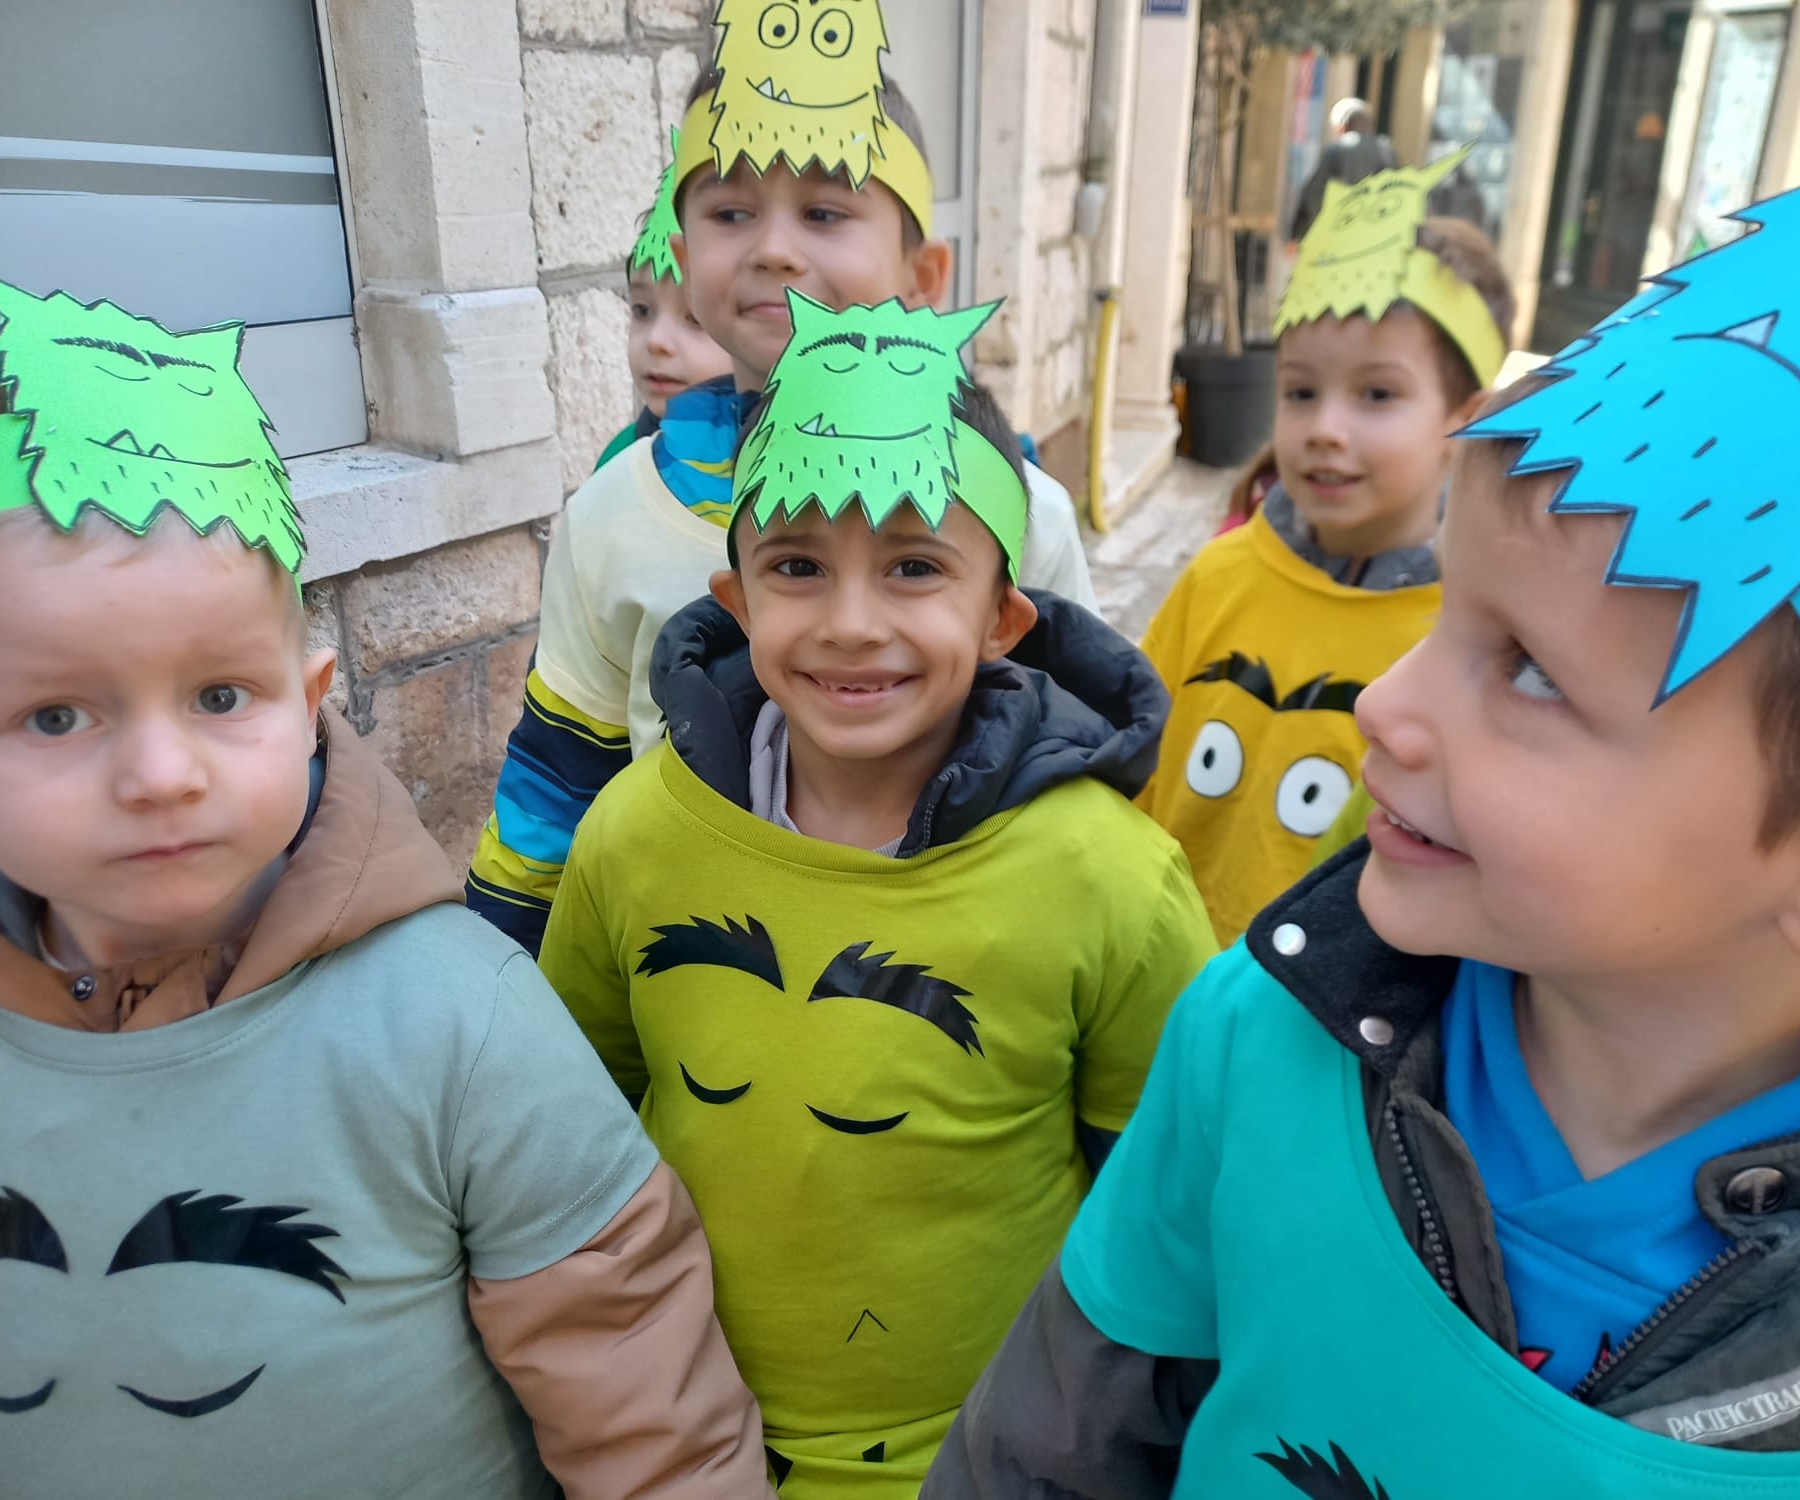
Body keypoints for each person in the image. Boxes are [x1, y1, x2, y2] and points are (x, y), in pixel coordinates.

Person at [926, 42, 1800, 1496]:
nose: (1387, 702)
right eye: (1445, 611)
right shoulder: (1256, 1041)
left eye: (1533, 670)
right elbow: (1046, 1454)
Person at [0, 279, 772, 1498]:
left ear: (310, 706)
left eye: (218, 697)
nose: (159, 775)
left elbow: (640, 1394)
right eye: (56, 714)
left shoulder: (459, 1022)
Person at [537, 294, 1216, 1500]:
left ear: (1001, 617)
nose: (851, 625)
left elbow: (1164, 1209)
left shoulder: (1111, 880)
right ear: (737, 600)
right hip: (688, 1442)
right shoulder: (634, 836)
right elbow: (570, 1129)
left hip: (990, 1461)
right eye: (797, 566)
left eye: (913, 568)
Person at [468, 14, 1096, 956]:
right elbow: (559, 786)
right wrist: (502, 980)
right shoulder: (611, 518)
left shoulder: (1019, 518)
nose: (773, 248)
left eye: (825, 212)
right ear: (684, 255)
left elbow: (1077, 764)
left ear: (924, 272)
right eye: (730, 213)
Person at [1139, 152, 1514, 944]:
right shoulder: (1216, 577)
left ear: (1467, 421)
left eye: (1377, 393)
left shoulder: (1474, 637)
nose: (1325, 428)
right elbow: (1133, 767)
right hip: (1163, 975)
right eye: (1301, 391)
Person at [596, 136, 735, 472]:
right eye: (642, 310)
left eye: (695, 317)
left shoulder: (780, 471)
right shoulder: (620, 459)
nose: (656, 340)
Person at [1288, 97, 1398, 242]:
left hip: (1340, 233)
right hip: (1374, 236)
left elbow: (1314, 194)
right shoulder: (1386, 149)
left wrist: (1299, 233)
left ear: (1343, 126)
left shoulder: (1337, 149)